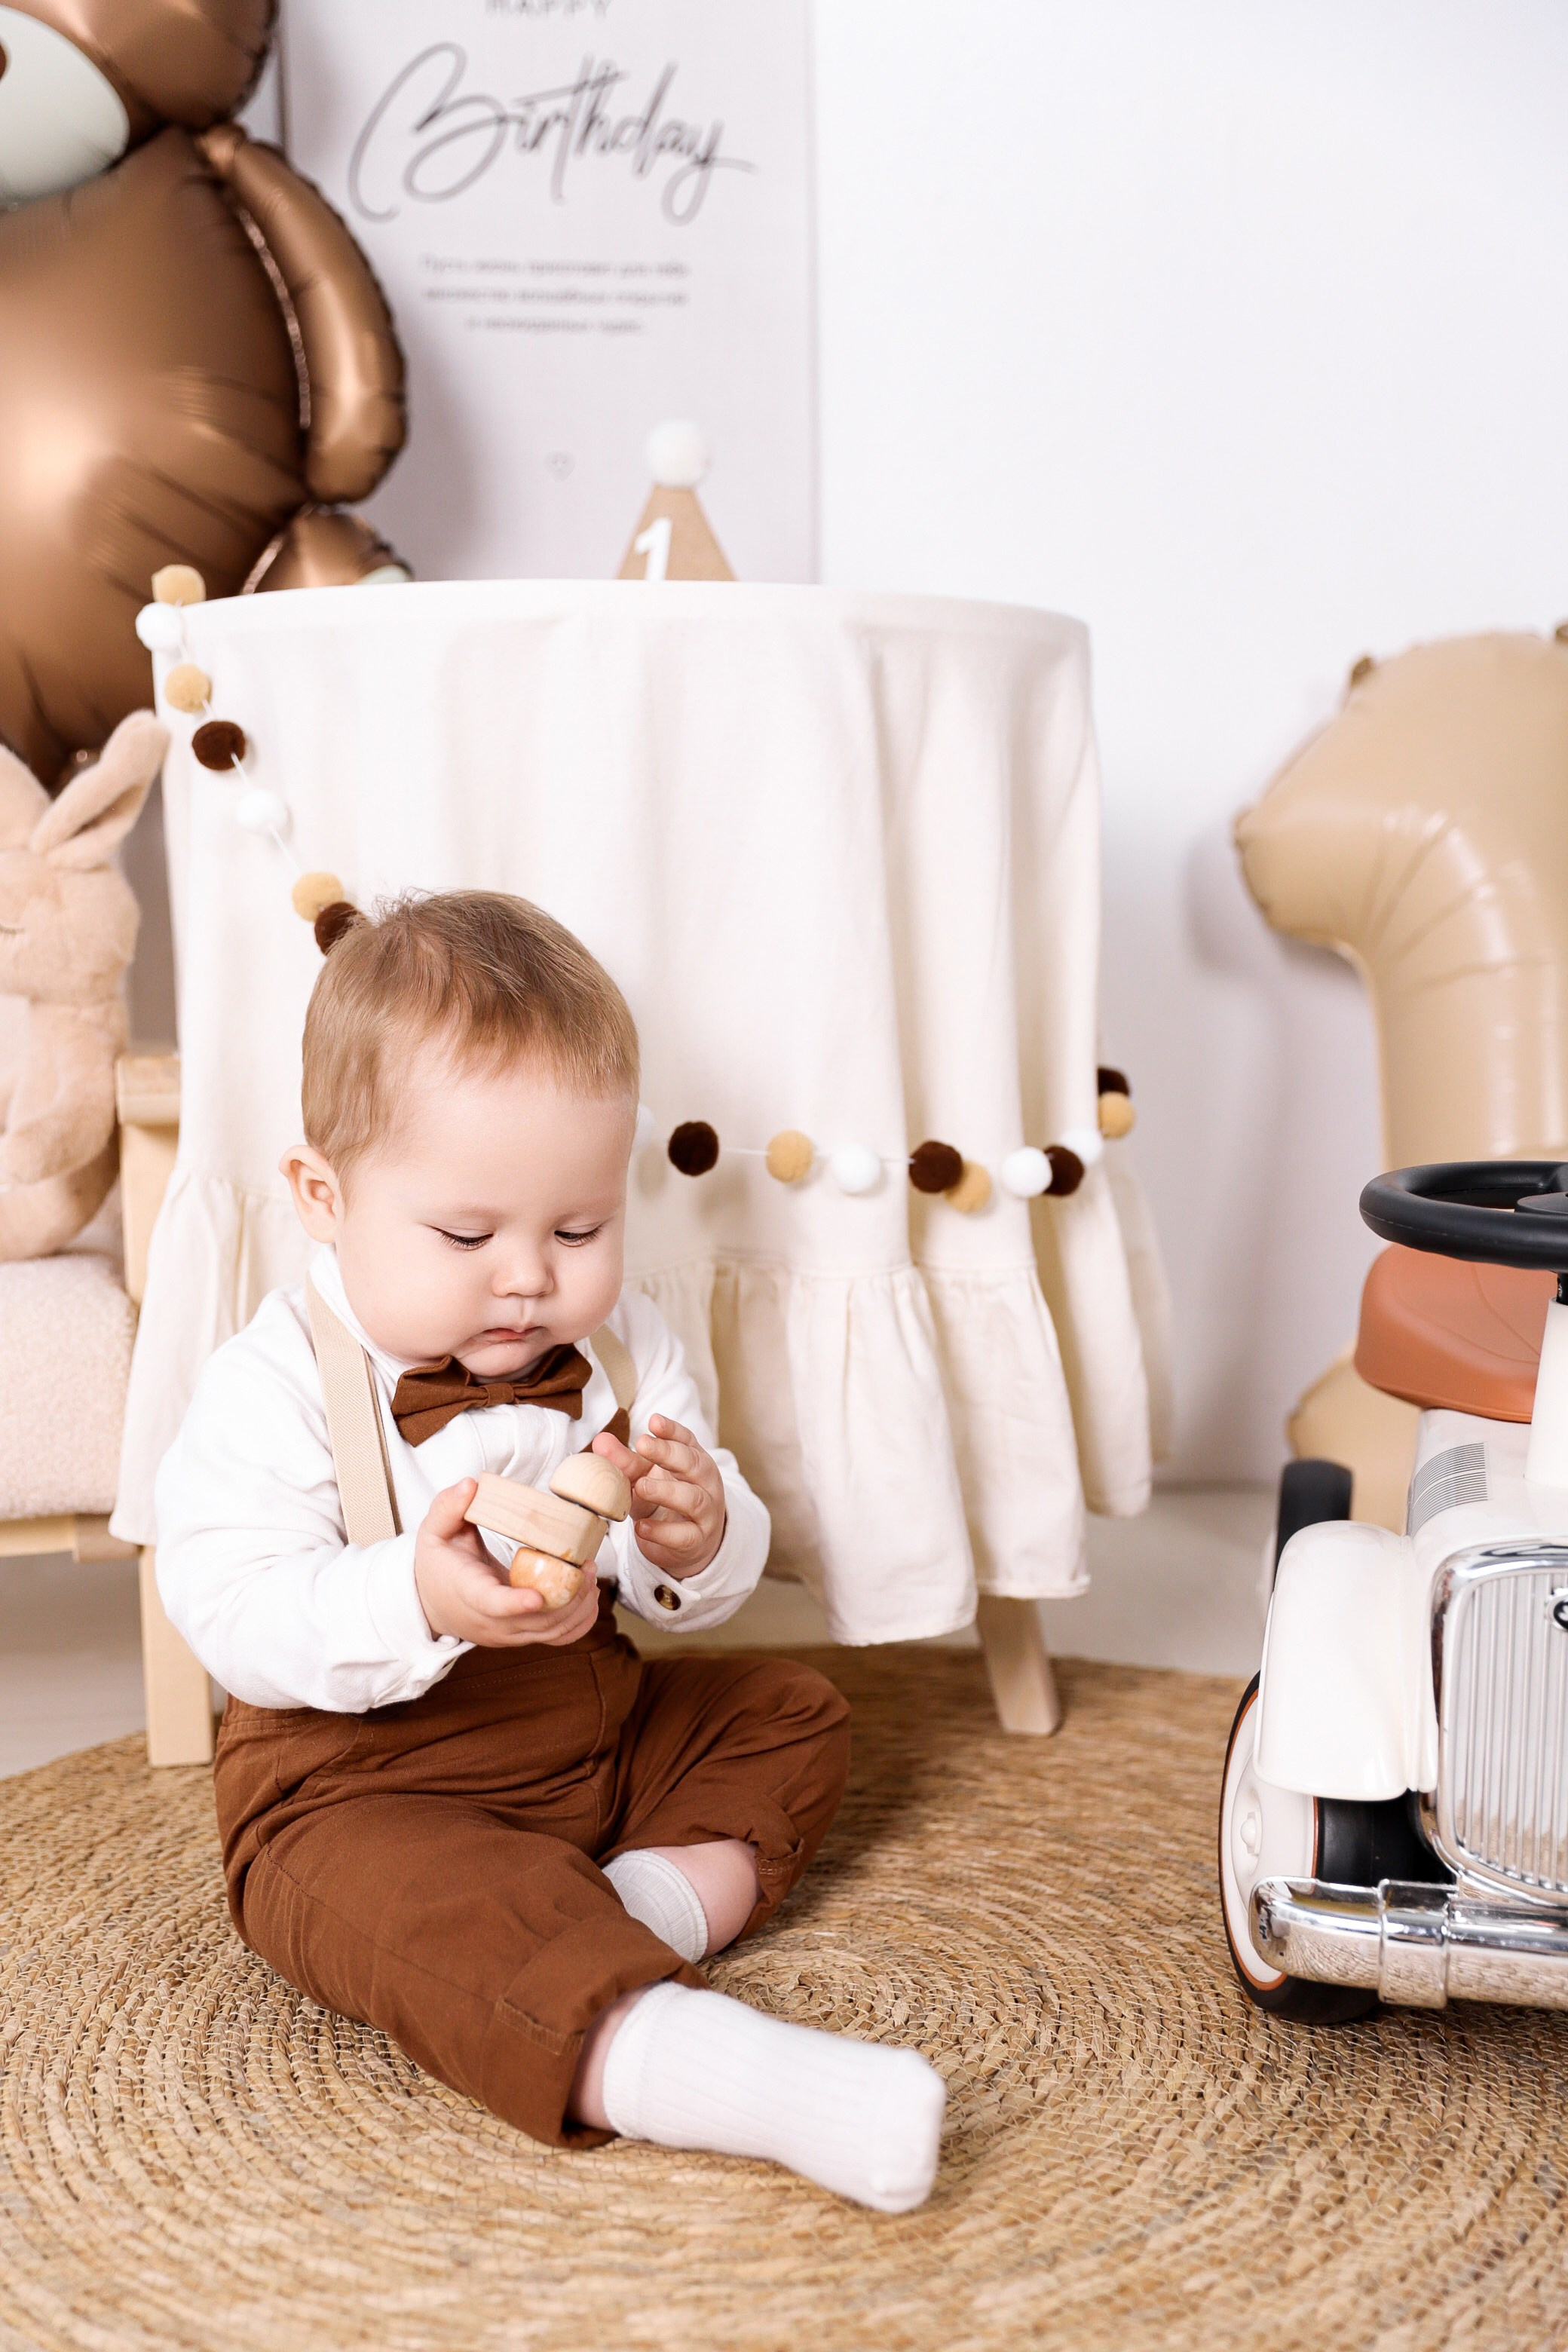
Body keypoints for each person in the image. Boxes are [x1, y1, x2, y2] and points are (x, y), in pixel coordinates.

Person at [155, 889, 946, 2211]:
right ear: (323, 1196)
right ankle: (692, 2064)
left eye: (578, 1230)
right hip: (364, 1779)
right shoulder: (272, 1382)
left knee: (788, 1714)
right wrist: (415, 1593)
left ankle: (618, 1916)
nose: (529, 1277)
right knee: (385, 1897)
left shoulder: (623, 1348)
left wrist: (700, 1538)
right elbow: (232, 1608)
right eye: (468, 1236)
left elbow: (680, 1588)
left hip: (594, 1729)